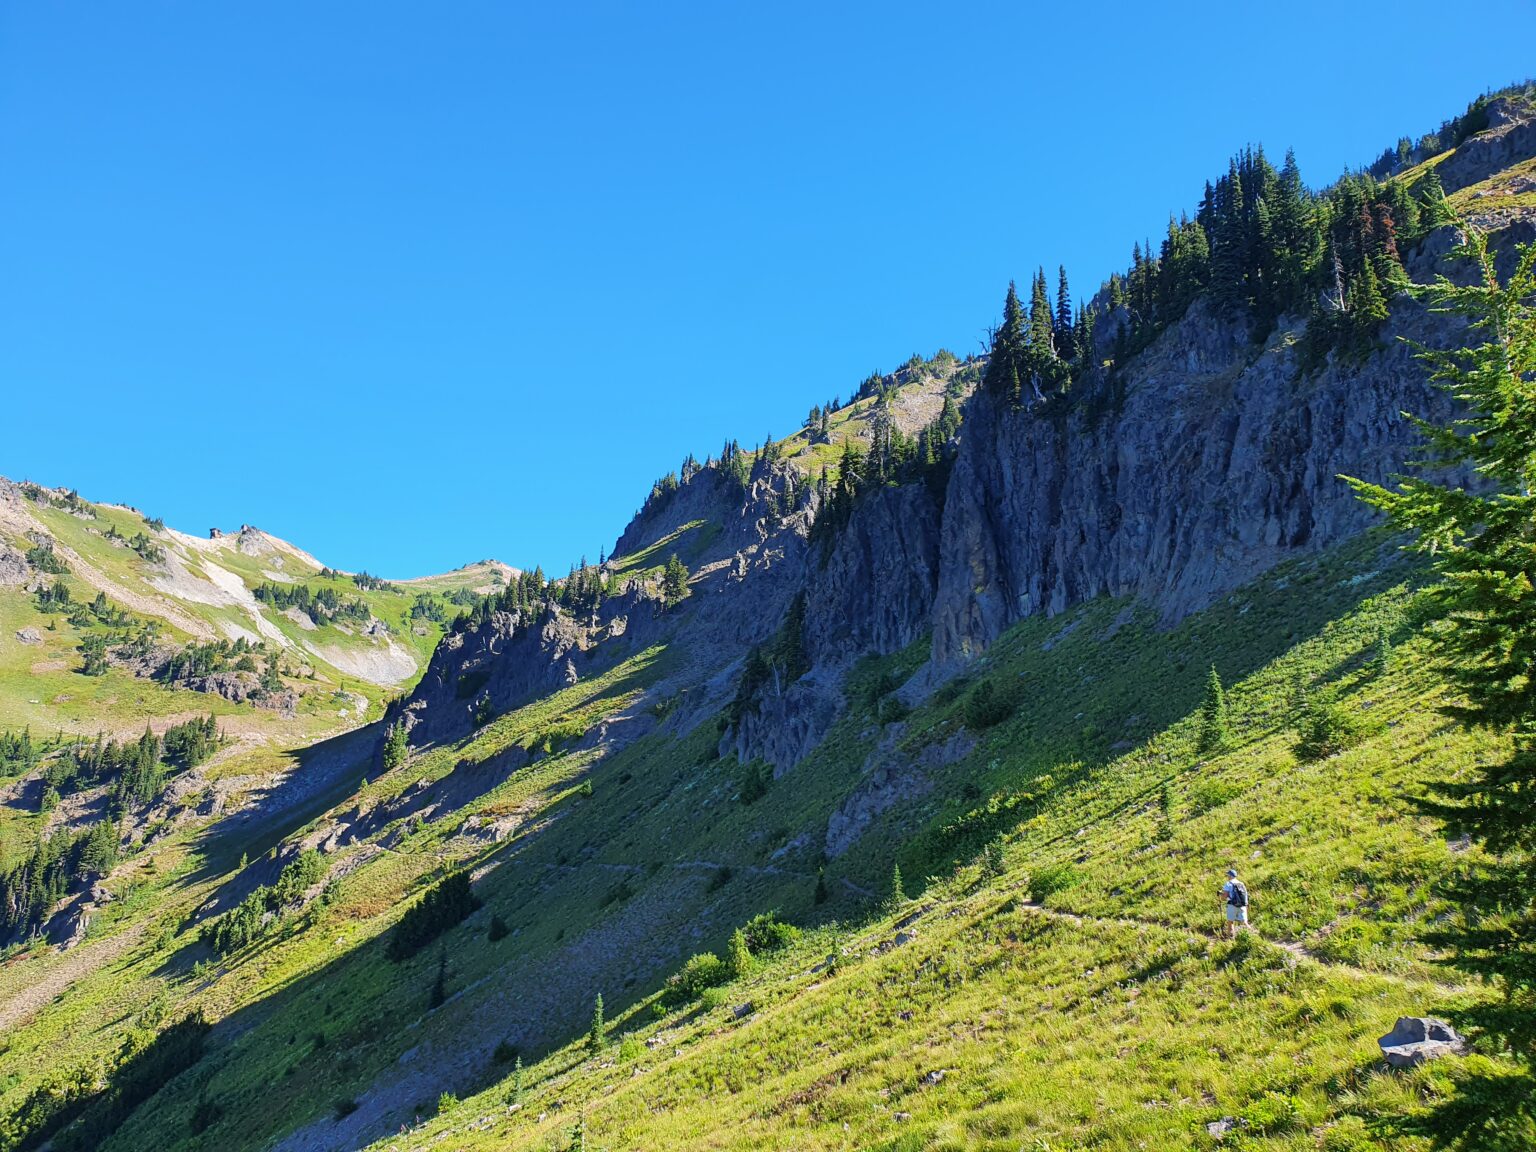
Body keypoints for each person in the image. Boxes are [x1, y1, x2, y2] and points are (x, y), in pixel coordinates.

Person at [1219, 868, 1249, 938]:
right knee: (1245, 922)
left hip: (1232, 905)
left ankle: (1230, 940)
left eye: (1227, 875)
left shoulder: (1228, 884)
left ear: (1230, 876)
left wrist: (1221, 895)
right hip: (1242, 905)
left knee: (1230, 922)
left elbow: (1225, 897)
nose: (1227, 876)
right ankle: (1254, 935)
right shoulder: (1241, 883)